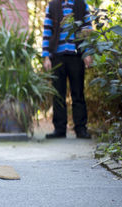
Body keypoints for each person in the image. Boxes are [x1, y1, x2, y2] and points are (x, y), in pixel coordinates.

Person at [42, 0, 92, 139]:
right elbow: (47, 31)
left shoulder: (82, 5)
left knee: (78, 93)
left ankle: (81, 129)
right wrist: (46, 56)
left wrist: (87, 53)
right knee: (58, 94)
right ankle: (59, 129)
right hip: (57, 57)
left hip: (76, 56)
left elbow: (87, 28)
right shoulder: (52, 6)